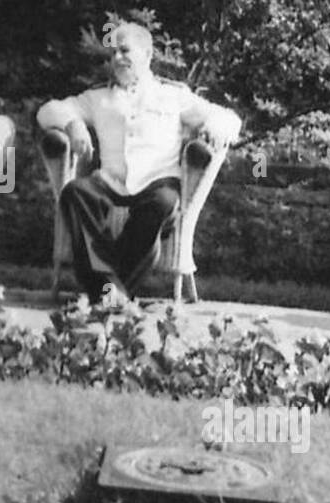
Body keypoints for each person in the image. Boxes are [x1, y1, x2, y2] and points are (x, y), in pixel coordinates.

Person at [36, 22, 240, 302]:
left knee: (162, 203)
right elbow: (47, 111)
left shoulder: (172, 95)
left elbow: (228, 118)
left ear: (147, 54)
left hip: (158, 184)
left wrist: (214, 127)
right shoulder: (98, 97)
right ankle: (112, 293)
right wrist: (73, 123)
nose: (117, 58)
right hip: (110, 184)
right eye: (113, 53)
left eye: (125, 50)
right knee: (75, 192)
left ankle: (104, 293)